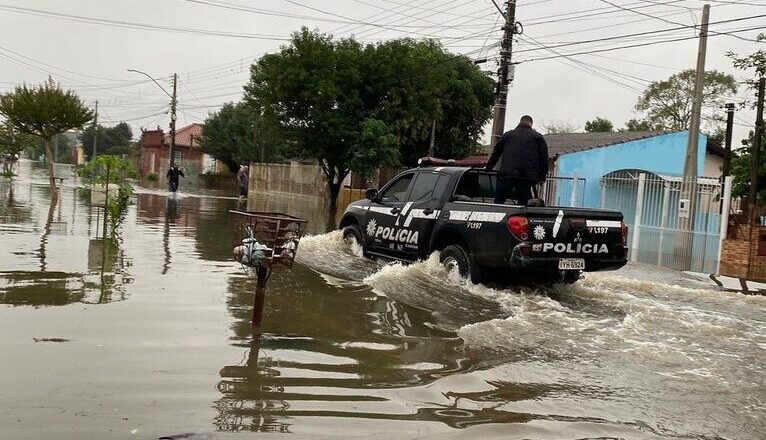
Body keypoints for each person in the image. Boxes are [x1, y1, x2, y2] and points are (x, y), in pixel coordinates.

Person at [485, 115, 548, 206]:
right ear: (531, 124)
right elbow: (544, 158)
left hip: (507, 174)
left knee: (498, 202)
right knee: (523, 205)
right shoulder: (538, 137)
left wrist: (488, 168)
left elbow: (496, 153)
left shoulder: (507, 135)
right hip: (526, 177)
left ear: (519, 122)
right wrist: (542, 177)